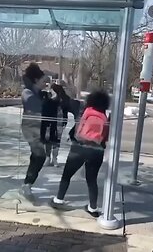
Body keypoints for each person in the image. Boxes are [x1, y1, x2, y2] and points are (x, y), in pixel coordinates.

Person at [49, 89, 111, 218]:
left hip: (79, 147)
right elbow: (105, 137)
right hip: (96, 151)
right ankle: (93, 208)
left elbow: (79, 125)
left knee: (67, 175)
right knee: (91, 180)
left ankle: (58, 200)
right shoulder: (104, 116)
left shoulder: (86, 111)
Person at [20, 63, 48, 200]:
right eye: (44, 81)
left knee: (37, 156)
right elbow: (36, 106)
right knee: (40, 156)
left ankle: (28, 183)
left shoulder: (37, 93)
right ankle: (27, 184)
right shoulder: (27, 93)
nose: (46, 84)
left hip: (36, 129)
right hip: (30, 129)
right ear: (36, 81)